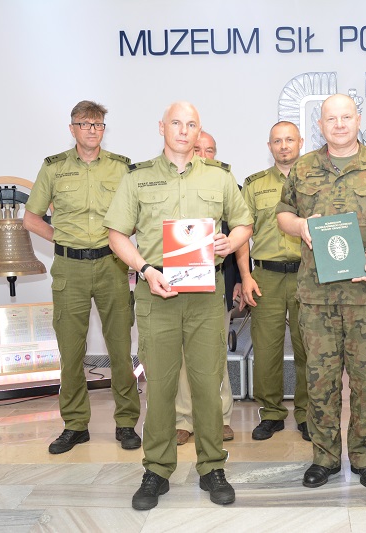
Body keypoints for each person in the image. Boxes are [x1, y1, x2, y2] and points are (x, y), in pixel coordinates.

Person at [104, 101, 253, 511]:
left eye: (191, 124)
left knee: (207, 384)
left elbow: (244, 222)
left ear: (199, 130)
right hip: (158, 294)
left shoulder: (220, 177)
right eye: (176, 123)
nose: (183, 130)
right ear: (162, 127)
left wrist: (230, 242)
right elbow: (116, 234)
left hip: (206, 297)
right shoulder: (138, 178)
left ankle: (212, 467)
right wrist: (144, 268)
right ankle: (156, 469)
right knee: (161, 387)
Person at [276, 94, 366, 490]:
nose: (339, 124)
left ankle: (365, 458)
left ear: (358, 120)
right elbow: (283, 213)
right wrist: (300, 226)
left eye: (346, 117)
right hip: (316, 296)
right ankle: (324, 458)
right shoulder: (303, 167)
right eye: (331, 118)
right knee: (320, 380)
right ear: (320, 125)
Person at [23, 100, 141, 455]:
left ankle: (126, 423)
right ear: (72, 128)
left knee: (120, 349)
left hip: (111, 266)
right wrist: (62, 240)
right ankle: (75, 425)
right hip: (69, 269)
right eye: (85, 124)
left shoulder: (121, 167)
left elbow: (137, 215)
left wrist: (121, 241)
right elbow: (31, 218)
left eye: (98, 124)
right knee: (71, 351)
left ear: (104, 129)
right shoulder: (54, 167)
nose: (92, 130)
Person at [235, 121, 308, 442]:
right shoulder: (255, 185)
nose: (284, 146)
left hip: (309, 275)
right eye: (277, 141)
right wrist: (246, 276)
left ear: (300, 142)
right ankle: (271, 414)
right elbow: (242, 233)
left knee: (309, 349)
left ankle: (307, 413)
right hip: (266, 275)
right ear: (269, 146)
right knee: (266, 350)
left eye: (289, 140)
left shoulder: (315, 181)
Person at [174, 130, 235, 446]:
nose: (203, 154)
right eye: (197, 149)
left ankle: (220, 418)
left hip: (218, 283)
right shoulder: (174, 188)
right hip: (178, 282)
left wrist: (240, 281)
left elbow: (241, 238)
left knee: (216, 354)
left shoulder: (228, 186)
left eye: (209, 149)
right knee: (183, 356)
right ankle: (184, 419)